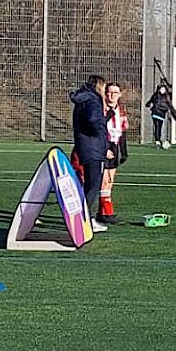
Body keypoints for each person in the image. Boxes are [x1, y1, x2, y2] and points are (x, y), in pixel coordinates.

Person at [69, 75, 108, 233]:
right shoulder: (93, 99)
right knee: (93, 186)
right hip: (93, 149)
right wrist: (100, 130)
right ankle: (85, 219)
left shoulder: (83, 99)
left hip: (85, 147)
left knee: (89, 185)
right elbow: (93, 119)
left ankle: (84, 217)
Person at [98, 82, 128, 224]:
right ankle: (108, 213)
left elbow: (123, 132)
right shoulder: (101, 110)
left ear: (120, 94)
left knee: (109, 181)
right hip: (104, 146)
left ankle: (101, 212)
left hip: (114, 146)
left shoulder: (121, 111)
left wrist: (124, 152)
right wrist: (105, 149)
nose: (112, 95)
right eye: (109, 92)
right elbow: (99, 130)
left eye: (115, 93)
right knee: (104, 181)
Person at [145, 82, 176, 147]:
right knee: (157, 126)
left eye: (164, 89)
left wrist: (175, 116)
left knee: (160, 127)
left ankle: (158, 139)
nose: (162, 90)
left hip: (162, 114)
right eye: (161, 89)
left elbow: (170, 106)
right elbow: (150, 101)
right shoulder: (156, 95)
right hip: (155, 112)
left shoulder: (167, 97)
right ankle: (157, 141)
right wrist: (148, 104)